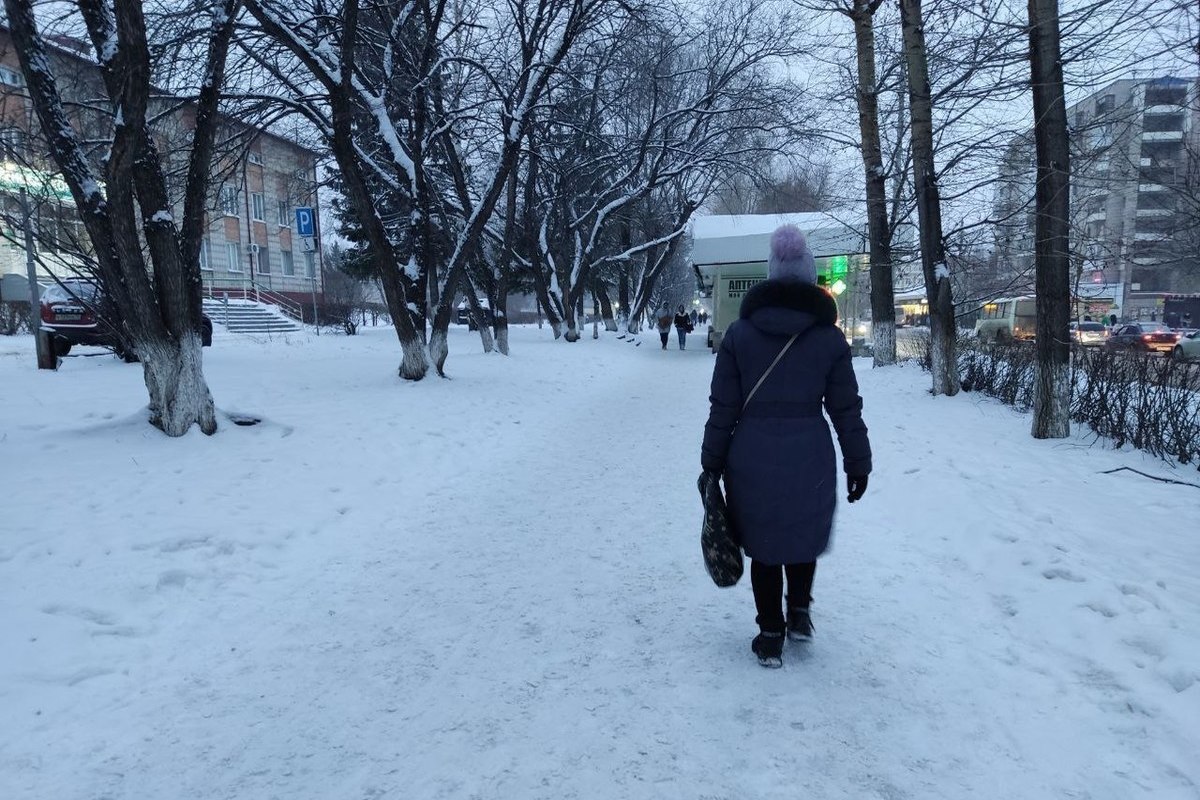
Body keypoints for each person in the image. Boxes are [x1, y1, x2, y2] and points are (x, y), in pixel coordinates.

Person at [700, 224, 872, 669]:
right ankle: (799, 614)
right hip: (809, 453)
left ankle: (770, 633)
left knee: (763, 545)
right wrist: (858, 462)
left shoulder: (740, 335)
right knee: (800, 538)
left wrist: (711, 462)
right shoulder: (828, 338)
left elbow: (724, 406)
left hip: (751, 456)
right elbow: (846, 408)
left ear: (772, 275)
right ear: (810, 275)